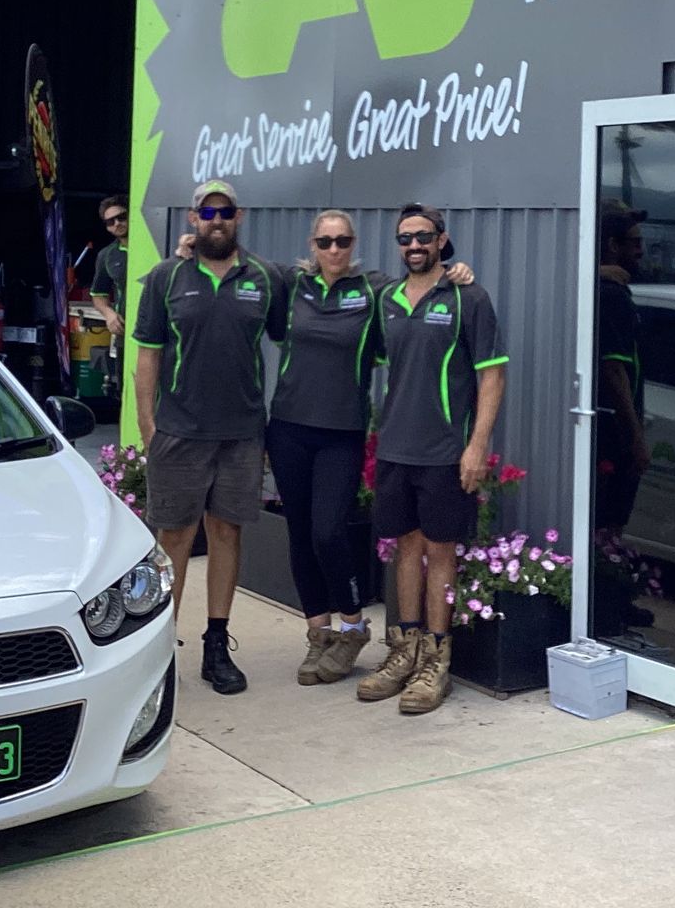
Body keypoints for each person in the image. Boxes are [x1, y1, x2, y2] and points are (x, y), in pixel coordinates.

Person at [173, 212, 473, 687]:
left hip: (342, 431)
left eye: (343, 241)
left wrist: (456, 271)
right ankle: (318, 634)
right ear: (312, 244)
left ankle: (352, 626)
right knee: (299, 535)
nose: (334, 250)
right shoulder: (289, 283)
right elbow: (236, 262)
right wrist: (194, 243)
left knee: (329, 532)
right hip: (289, 428)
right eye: (325, 242)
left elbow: (420, 283)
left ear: (354, 244)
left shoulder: (374, 289)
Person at [132, 180, 287, 695]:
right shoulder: (165, 277)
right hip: (178, 433)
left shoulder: (264, 278)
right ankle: (159, 648)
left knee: (226, 533)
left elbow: (292, 334)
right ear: (194, 218)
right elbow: (148, 356)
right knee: (173, 538)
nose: (215, 219)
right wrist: (148, 425)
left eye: (224, 211)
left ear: (238, 217)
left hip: (241, 433)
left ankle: (216, 644)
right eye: (206, 211)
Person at [357, 203, 508, 715]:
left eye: (423, 236)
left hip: (446, 451)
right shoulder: (389, 299)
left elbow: (492, 375)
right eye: (405, 239)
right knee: (405, 548)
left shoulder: (470, 297)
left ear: (442, 240)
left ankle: (435, 663)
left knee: (441, 553)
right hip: (397, 448)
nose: (414, 246)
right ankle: (404, 652)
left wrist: (477, 444)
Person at [592, 199, 654, 640]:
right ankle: (605, 604)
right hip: (613, 431)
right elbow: (614, 371)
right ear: (611, 245)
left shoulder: (614, 288)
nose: (641, 251)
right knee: (607, 524)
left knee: (612, 525)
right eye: (633, 243)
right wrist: (635, 437)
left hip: (618, 426)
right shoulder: (611, 295)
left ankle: (614, 598)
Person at [90, 194, 132, 397]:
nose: (117, 224)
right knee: (125, 389)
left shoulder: (155, 242)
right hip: (125, 333)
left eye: (122, 217)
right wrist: (109, 314)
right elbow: (98, 294)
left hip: (161, 329)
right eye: (110, 221)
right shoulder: (107, 255)